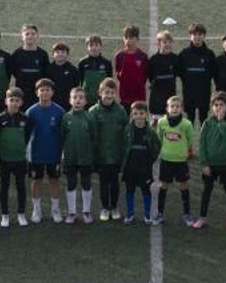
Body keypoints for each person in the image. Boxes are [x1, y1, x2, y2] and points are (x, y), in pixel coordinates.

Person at [195, 91, 226, 229]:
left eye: (221, 105)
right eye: (216, 105)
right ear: (212, 107)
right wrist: (204, 163)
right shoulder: (207, 123)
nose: (218, 107)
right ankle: (202, 218)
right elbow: (202, 145)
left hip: (225, 164)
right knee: (207, 190)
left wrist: (220, 122)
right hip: (210, 165)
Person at [89, 77, 129, 221]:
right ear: (100, 93)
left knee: (115, 183)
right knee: (104, 183)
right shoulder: (93, 111)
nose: (109, 95)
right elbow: (91, 135)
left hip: (116, 154)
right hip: (101, 155)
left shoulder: (121, 111)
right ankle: (105, 207)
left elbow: (126, 133)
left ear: (115, 94)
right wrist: (94, 155)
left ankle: (114, 207)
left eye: (112, 93)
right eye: (106, 92)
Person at [26, 78, 66, 223]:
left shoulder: (59, 111)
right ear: (37, 93)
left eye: (47, 90)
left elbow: (63, 133)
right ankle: (36, 210)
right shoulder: (31, 112)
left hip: (53, 154)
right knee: (36, 181)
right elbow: (26, 134)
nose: (44, 92)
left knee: (54, 180)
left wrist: (62, 154)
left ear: (52, 92)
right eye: (41, 90)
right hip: (36, 154)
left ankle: (55, 210)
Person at [155, 94, 196, 225]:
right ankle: (160, 213)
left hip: (181, 161)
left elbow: (190, 140)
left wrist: (185, 151)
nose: (175, 109)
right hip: (166, 159)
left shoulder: (186, 124)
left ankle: (187, 214)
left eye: (177, 106)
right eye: (172, 106)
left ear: (182, 109)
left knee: (183, 185)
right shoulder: (162, 122)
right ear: (167, 108)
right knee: (163, 185)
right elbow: (159, 138)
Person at [0, 87, 32, 227]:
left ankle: (21, 214)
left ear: (21, 102)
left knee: (21, 187)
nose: (14, 103)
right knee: (4, 187)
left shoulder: (26, 119)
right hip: (4, 160)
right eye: (11, 100)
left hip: (20, 160)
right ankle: (5, 215)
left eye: (17, 101)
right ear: (6, 101)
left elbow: (26, 137)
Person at [60, 85, 96, 224]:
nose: (78, 100)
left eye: (81, 98)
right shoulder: (65, 118)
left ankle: (86, 212)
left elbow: (94, 137)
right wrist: (63, 155)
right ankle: (72, 213)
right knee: (71, 183)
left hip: (86, 157)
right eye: (75, 98)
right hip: (70, 158)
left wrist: (90, 154)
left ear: (86, 101)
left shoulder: (89, 117)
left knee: (86, 183)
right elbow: (62, 137)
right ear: (70, 100)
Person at [121, 102, 160, 225]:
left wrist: (150, 160)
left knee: (146, 190)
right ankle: (130, 214)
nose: (138, 116)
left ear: (146, 114)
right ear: (132, 114)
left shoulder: (150, 131)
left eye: (141, 113)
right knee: (130, 190)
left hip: (144, 167)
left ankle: (147, 216)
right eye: (136, 113)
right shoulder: (127, 129)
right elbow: (122, 146)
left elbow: (156, 147)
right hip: (130, 166)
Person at [176, 23, 216, 124]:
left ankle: (204, 140)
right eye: (195, 34)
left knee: (204, 120)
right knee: (189, 120)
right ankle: (189, 140)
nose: (197, 37)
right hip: (189, 93)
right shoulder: (184, 54)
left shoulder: (209, 54)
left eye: (200, 34)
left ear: (204, 36)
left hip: (204, 93)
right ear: (190, 36)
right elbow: (179, 71)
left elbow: (213, 71)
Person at [10, 24, 51, 102]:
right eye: (27, 34)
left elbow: (46, 72)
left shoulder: (42, 54)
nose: (30, 36)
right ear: (22, 37)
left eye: (33, 34)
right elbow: (13, 71)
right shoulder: (17, 54)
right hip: (21, 92)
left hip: (38, 93)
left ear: (37, 36)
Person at [113, 25, 149, 109]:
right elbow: (117, 73)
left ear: (137, 39)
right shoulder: (119, 56)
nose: (127, 40)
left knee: (139, 119)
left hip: (139, 96)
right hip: (124, 95)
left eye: (131, 37)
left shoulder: (142, 56)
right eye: (126, 37)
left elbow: (145, 75)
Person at [148, 30, 179, 116]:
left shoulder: (176, 59)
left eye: (169, 42)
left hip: (170, 96)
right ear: (159, 44)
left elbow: (176, 73)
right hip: (157, 98)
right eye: (165, 42)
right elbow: (150, 77)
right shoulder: (153, 60)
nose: (167, 44)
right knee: (157, 124)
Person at [78, 35, 114, 102]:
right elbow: (80, 81)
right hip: (86, 99)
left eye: (96, 45)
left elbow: (109, 81)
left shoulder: (107, 63)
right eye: (91, 45)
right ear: (87, 47)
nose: (94, 48)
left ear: (100, 46)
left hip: (102, 98)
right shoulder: (82, 62)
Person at [47, 42, 81, 107]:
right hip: (52, 103)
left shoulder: (73, 70)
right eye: (57, 52)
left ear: (67, 54)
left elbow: (76, 86)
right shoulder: (48, 70)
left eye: (63, 52)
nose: (60, 54)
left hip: (68, 103)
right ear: (53, 55)